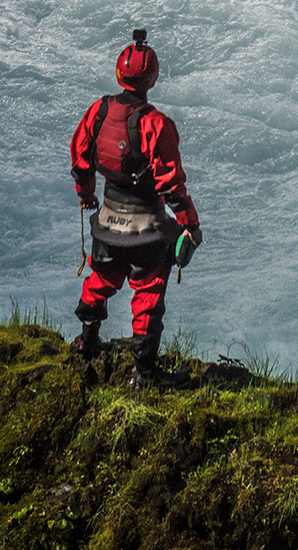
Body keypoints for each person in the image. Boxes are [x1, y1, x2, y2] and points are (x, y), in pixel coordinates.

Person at [70, 28, 202, 387]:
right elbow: (171, 185)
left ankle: (86, 340)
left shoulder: (97, 112)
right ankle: (143, 373)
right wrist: (190, 224)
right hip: (146, 226)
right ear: (152, 79)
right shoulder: (157, 124)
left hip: (107, 217)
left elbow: (81, 161)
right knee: (148, 289)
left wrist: (86, 194)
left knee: (102, 277)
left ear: (119, 73)